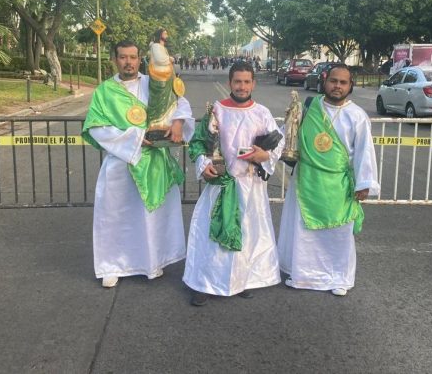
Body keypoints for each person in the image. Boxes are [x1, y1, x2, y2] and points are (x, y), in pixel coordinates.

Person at [82, 40, 195, 288]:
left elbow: (181, 103)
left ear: (139, 58)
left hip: (155, 163)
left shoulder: (153, 82)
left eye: (133, 57)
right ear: (115, 59)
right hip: (121, 165)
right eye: (123, 57)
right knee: (116, 217)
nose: (128, 62)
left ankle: (152, 263)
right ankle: (111, 266)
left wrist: (177, 123)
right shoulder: (105, 91)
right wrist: (135, 138)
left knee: (150, 218)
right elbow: (98, 130)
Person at [183, 61, 285, 306]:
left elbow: (278, 142)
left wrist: (265, 156)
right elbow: (198, 144)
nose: (242, 86)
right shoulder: (216, 111)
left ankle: (241, 280)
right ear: (230, 83)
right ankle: (203, 283)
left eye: (246, 81)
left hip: (251, 186)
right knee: (212, 237)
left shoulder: (261, 112)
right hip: (222, 184)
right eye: (237, 81)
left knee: (248, 235)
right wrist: (203, 165)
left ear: (253, 83)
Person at [277, 64, 380, 297]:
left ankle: (339, 278)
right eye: (334, 81)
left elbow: (364, 151)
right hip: (307, 180)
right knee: (304, 231)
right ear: (325, 81)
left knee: (338, 234)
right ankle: (303, 275)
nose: (337, 86)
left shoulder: (357, 116)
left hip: (338, 185)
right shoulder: (310, 107)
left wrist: (364, 184)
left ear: (350, 85)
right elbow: (288, 133)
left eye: (343, 82)